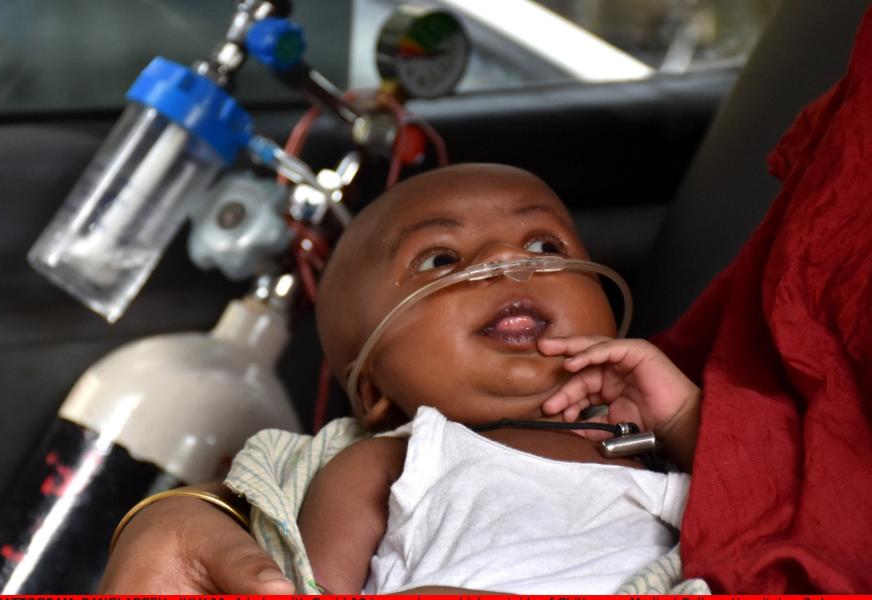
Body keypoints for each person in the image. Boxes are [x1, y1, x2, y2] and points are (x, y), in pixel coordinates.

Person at [100, 164, 701, 594]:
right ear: (375, 390)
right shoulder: (398, 463)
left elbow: (764, 499)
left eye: (543, 243)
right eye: (441, 260)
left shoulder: (660, 446)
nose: (505, 260)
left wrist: (683, 422)